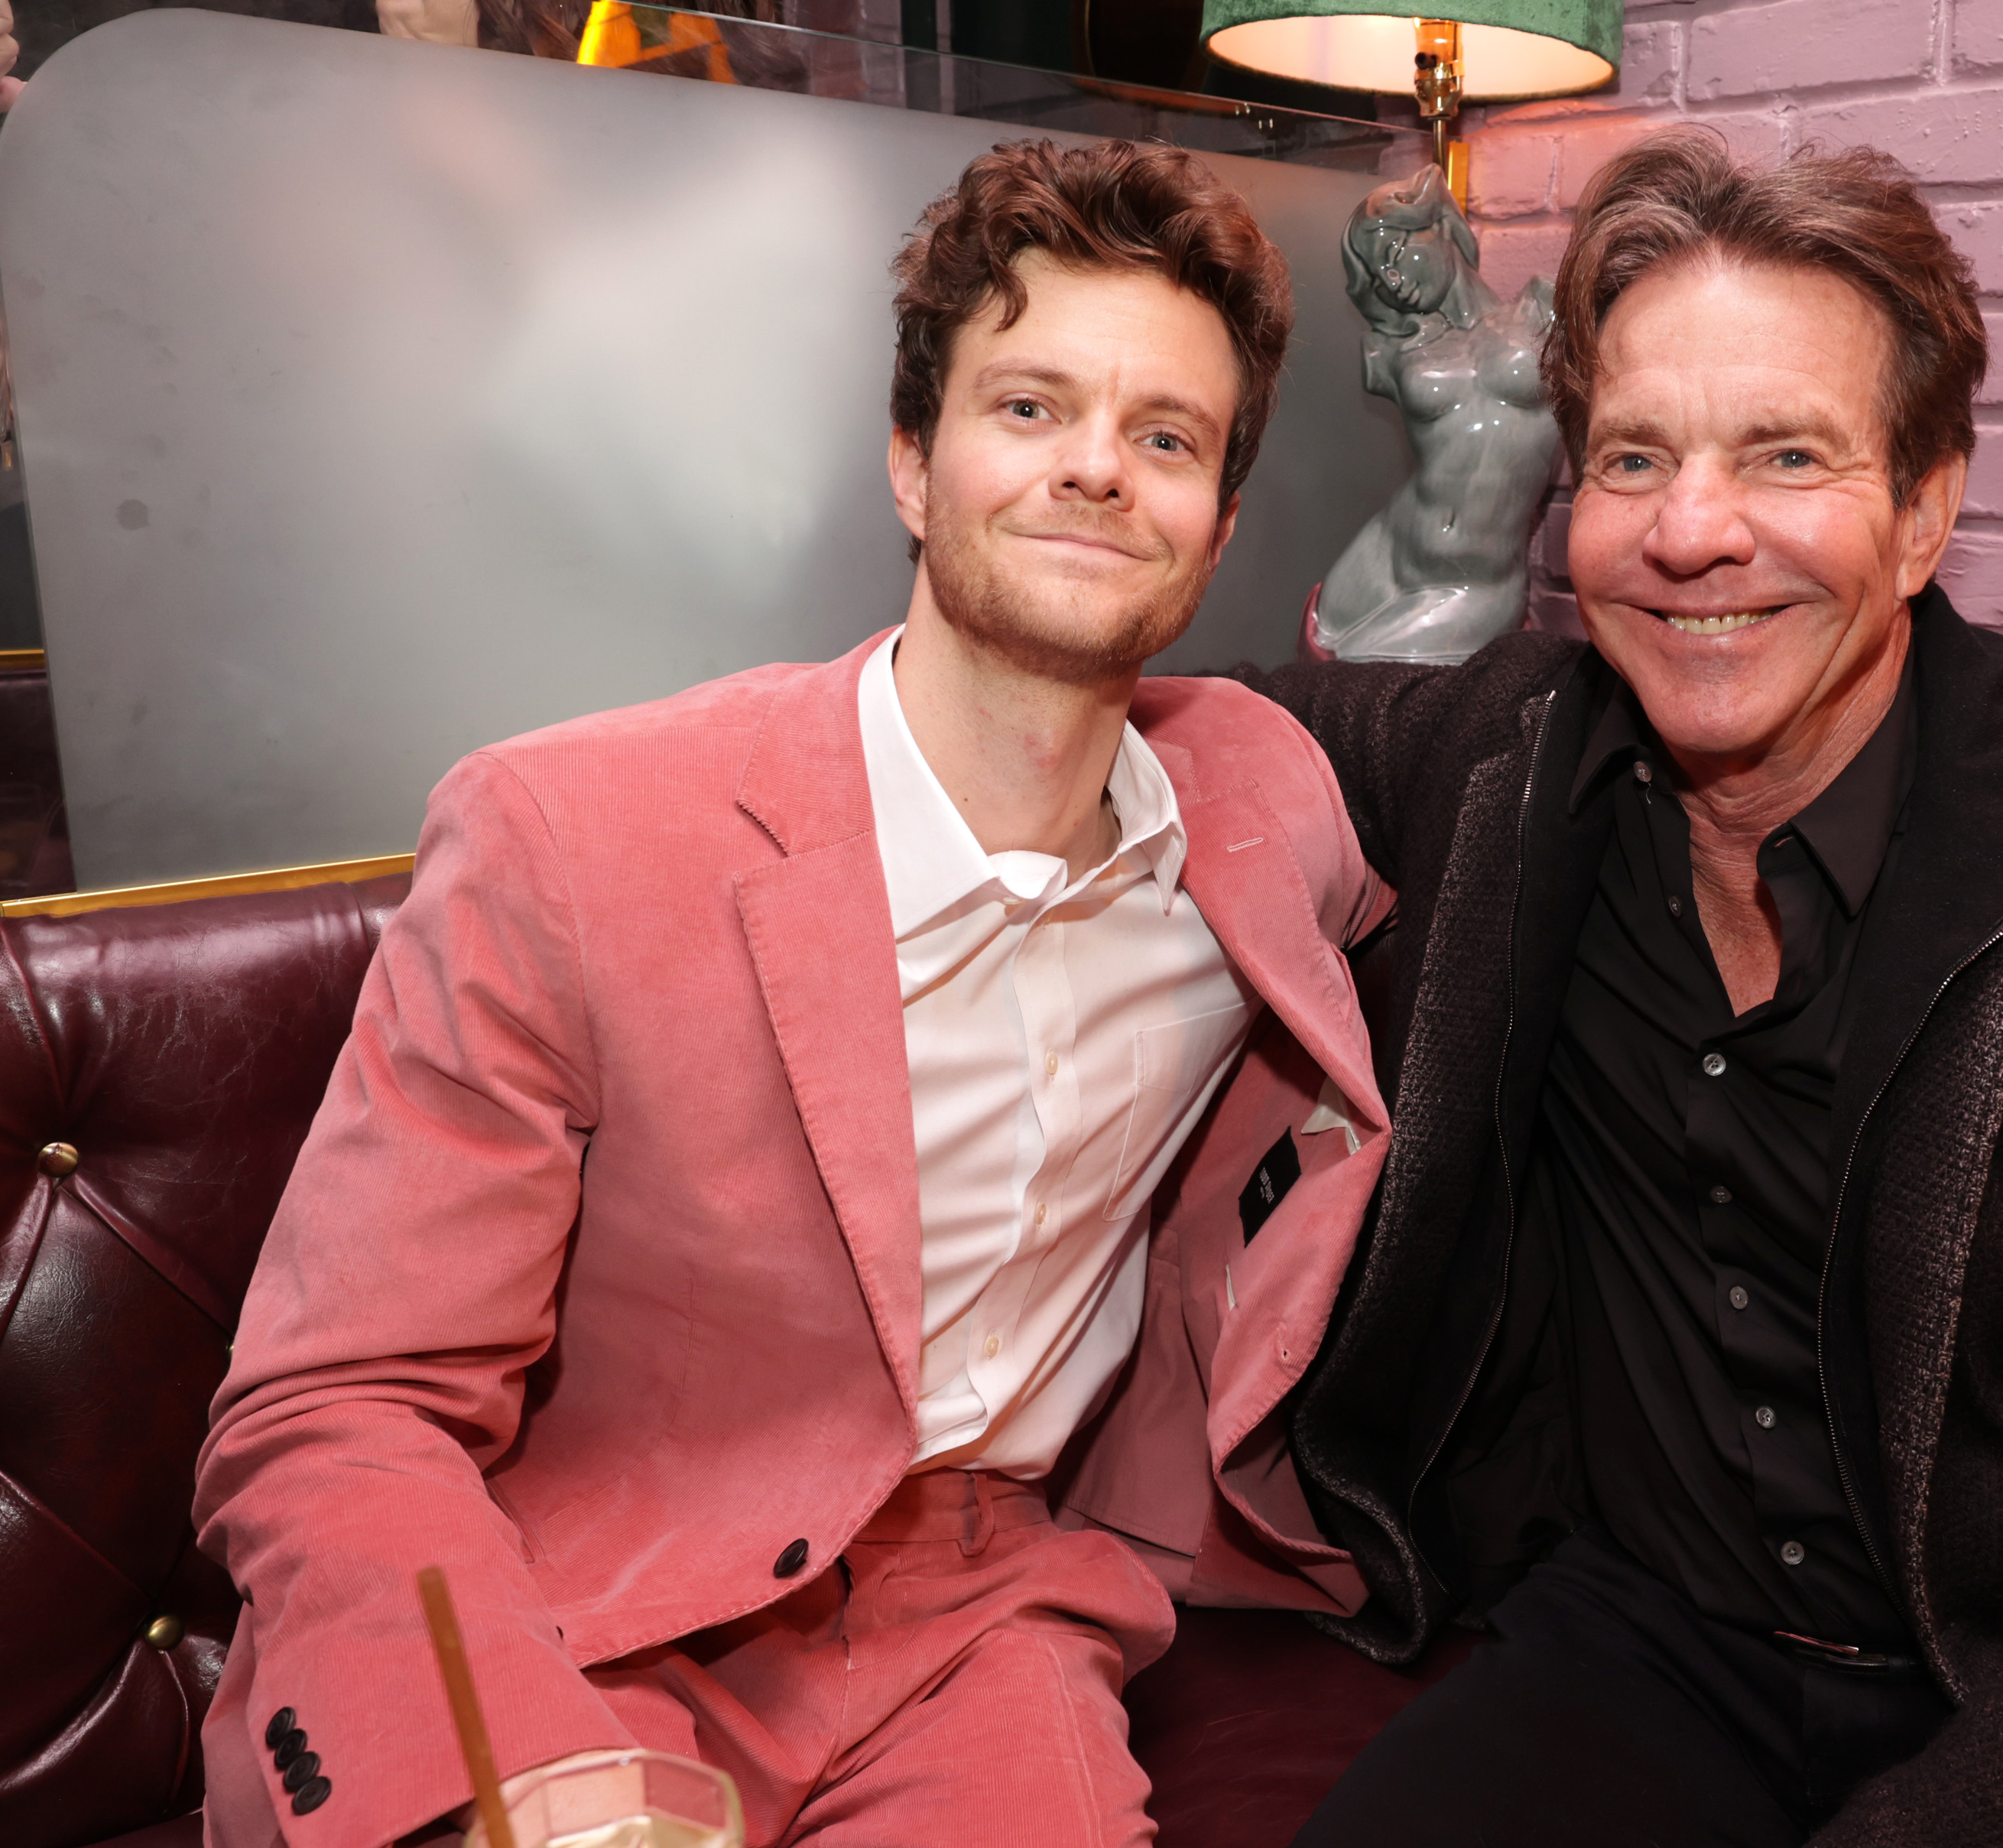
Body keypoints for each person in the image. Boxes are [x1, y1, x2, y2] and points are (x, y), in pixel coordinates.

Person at [1243, 130, 2003, 1848]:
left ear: (1920, 511)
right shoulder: (1512, 777)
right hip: (1645, 1644)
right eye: (1630, 456)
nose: (1688, 532)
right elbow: (1190, 721)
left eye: (1783, 455)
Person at [194, 138, 1391, 1848]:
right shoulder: (571, 834)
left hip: (980, 1613)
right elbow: (338, 1401)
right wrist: (502, 1766)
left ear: (1213, 527)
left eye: (1164, 437)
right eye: (1030, 407)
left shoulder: (1264, 809)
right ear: (911, 462)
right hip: (576, 1597)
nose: (1097, 473)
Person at [1309, 165, 1560, 665]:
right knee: (1318, 647)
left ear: (1441, 224)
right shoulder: (1391, 352)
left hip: (1480, 580)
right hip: (1385, 553)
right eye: (1380, 274)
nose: (1394, 280)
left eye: (1396, 253)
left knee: (1361, 676)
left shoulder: (1543, 310)